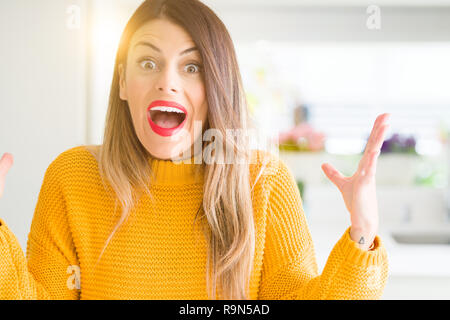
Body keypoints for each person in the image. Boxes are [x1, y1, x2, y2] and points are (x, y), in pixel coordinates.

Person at [0, 0, 390, 300]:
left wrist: (362, 235)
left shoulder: (263, 181)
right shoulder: (73, 177)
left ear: (217, 85)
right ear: (123, 83)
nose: (167, 82)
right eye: (148, 62)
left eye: (192, 67)